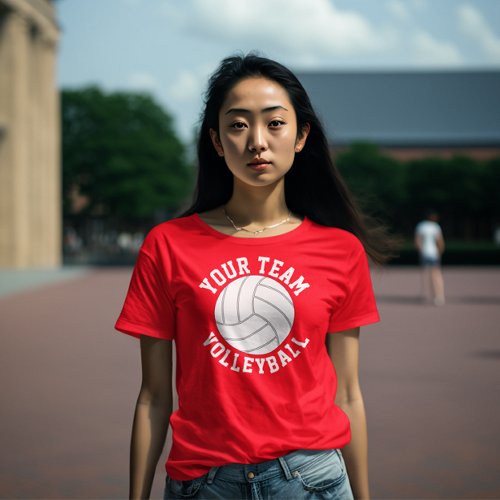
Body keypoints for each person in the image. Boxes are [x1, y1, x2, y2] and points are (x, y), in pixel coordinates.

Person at [115, 54, 387, 500]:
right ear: (217, 141)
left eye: (275, 124)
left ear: (301, 136)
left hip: (311, 479)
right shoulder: (167, 245)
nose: (257, 141)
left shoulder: (341, 250)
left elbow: (348, 394)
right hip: (202, 483)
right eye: (238, 125)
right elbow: (153, 397)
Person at [414, 211, 445, 306]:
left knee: (425, 274)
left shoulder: (420, 226)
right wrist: (439, 253)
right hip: (434, 254)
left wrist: (421, 251)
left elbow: (417, 241)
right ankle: (439, 296)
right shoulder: (435, 227)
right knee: (436, 275)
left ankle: (426, 294)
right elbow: (440, 242)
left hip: (425, 253)